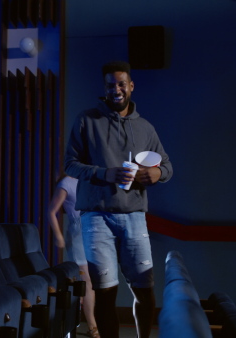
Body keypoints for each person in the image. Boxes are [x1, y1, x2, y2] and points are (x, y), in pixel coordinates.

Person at [64, 61, 173, 338]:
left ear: (131, 86)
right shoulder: (86, 120)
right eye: (111, 85)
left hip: (134, 217)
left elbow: (168, 167)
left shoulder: (145, 128)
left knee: (145, 292)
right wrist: (105, 173)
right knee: (104, 294)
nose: (117, 89)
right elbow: (70, 164)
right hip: (96, 217)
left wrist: (157, 173)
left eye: (121, 84)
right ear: (105, 88)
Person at [47, 175, 99, 338]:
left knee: (93, 281)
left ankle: (78, 317)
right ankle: (92, 326)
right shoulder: (66, 182)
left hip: (96, 230)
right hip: (78, 232)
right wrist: (58, 235)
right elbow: (51, 211)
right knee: (87, 281)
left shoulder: (90, 178)